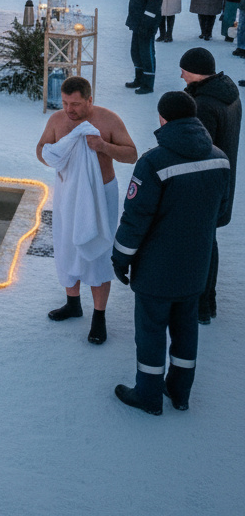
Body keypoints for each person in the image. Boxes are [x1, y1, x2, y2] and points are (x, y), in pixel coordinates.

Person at [111, 91, 230, 415]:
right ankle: (180, 393)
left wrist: (120, 258)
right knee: (186, 329)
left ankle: (148, 396)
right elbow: (220, 211)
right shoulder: (219, 158)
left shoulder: (154, 163)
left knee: (151, 332)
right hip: (196, 267)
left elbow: (135, 219)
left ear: (162, 118)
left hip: (157, 271)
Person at [36, 76, 138, 344]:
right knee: (67, 245)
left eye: (76, 104)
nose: (70, 110)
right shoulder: (57, 120)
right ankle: (73, 303)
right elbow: (41, 148)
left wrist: (103, 146)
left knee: (98, 252)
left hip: (100, 195)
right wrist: (55, 154)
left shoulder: (108, 120)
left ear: (90, 100)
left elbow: (131, 154)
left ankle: (99, 317)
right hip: (67, 195)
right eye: (66, 103)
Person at [178, 48, 240, 324]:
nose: (180, 75)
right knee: (207, 240)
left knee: (203, 244)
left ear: (195, 72)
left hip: (206, 185)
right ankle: (206, 301)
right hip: (223, 180)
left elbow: (199, 149)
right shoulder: (228, 94)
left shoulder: (204, 103)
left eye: (184, 71)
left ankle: (203, 303)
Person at [125, 0, 169, 94]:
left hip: (147, 23)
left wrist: (146, 23)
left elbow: (153, 5)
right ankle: (139, 78)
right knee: (135, 51)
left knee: (146, 52)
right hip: (137, 21)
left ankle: (148, 83)